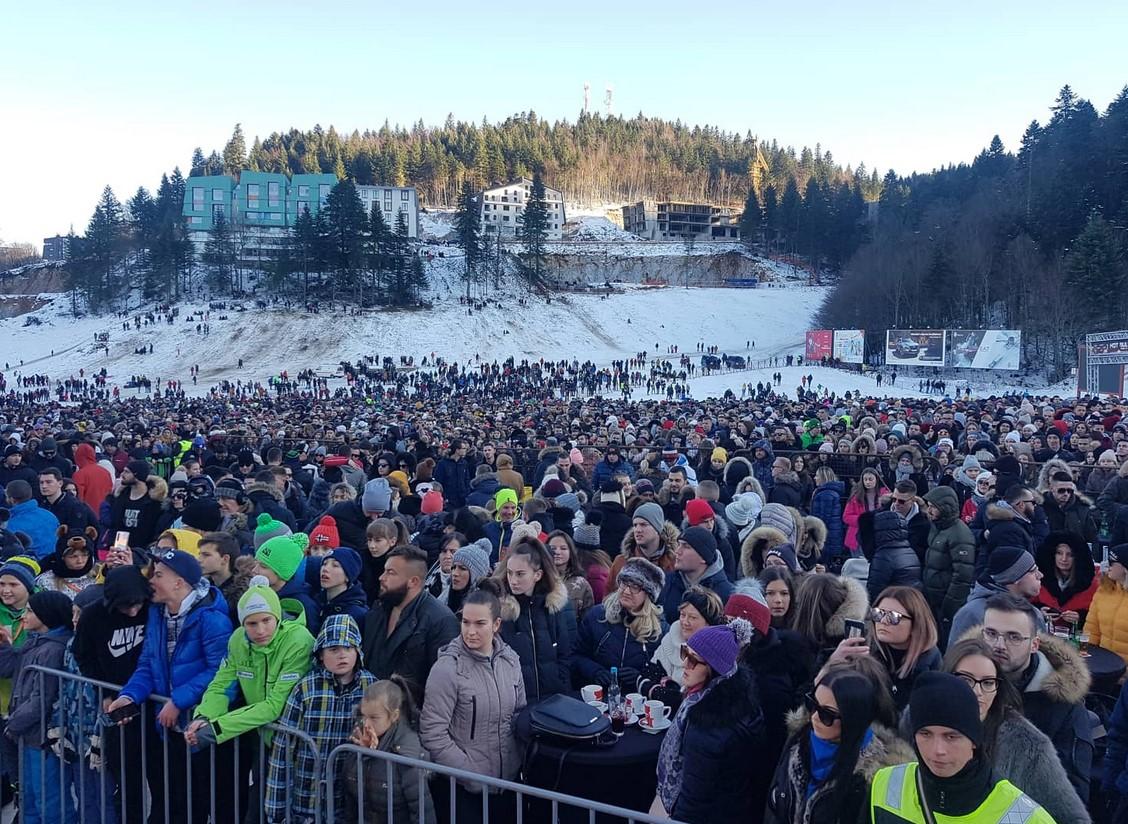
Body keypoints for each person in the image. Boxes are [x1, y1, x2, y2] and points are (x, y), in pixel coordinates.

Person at [106, 549, 233, 824]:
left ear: (179, 582)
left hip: (200, 727)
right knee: (172, 801)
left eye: (159, 574)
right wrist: (129, 695)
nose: (151, 579)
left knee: (197, 804)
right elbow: (148, 664)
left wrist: (178, 701)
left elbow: (220, 671)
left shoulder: (212, 619)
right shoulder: (158, 613)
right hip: (169, 727)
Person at [920, 638, 1091, 823]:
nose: (977, 692)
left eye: (987, 683)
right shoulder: (914, 723)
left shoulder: (1027, 746)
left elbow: (1073, 819)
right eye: (965, 680)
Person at [870, 671, 1056, 823]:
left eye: (951, 736)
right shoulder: (886, 784)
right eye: (925, 734)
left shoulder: (1028, 818)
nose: (938, 750)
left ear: (974, 740)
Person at [420, 588, 526, 824]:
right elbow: (433, 732)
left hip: (507, 782)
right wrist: (469, 773)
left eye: (480, 623)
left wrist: (517, 762)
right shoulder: (447, 669)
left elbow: (519, 715)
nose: (471, 631)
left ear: (496, 624)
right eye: (466, 622)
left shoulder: (511, 661)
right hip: (463, 789)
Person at [263, 614, 377, 824]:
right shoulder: (305, 688)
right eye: (334, 649)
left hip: (348, 798)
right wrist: (276, 809)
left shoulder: (371, 687)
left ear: (358, 651)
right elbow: (283, 747)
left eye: (348, 648)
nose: (342, 655)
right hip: (306, 796)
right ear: (321, 654)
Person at [765, 663, 910, 824]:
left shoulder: (875, 777)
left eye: (827, 714)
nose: (814, 717)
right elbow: (774, 806)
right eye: (812, 704)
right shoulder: (797, 742)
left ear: (853, 719)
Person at [982, 593, 1093, 802]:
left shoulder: (1062, 703)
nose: (999, 644)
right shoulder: (961, 681)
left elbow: (1071, 794)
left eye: (1013, 637)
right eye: (991, 633)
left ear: (1034, 645)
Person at [653, 620, 765, 822]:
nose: (684, 664)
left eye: (693, 660)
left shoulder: (706, 727)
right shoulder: (738, 699)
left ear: (714, 669)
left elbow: (693, 799)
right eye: (684, 653)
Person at [72, 565, 150, 823]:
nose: (133, 611)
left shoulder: (152, 609)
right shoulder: (93, 616)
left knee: (161, 776)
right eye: (126, 606)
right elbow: (83, 655)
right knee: (126, 778)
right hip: (117, 703)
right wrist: (103, 691)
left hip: (152, 700)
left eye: (137, 604)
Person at [0, 590, 75, 824]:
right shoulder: (35, 642)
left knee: (50, 802)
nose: (24, 615)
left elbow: (41, 699)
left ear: (46, 615)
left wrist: (13, 722)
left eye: (30, 611)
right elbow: (9, 667)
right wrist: (4, 645)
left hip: (43, 738)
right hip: (28, 734)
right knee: (30, 799)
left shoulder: (52, 650)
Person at [361, 545, 460, 696]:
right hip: (372, 708)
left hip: (410, 713)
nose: (382, 577)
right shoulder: (378, 610)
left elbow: (442, 687)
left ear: (413, 581)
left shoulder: (441, 621)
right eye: (384, 571)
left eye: (391, 573)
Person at [342, 676, 437, 824]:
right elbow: (350, 803)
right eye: (363, 716)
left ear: (394, 716)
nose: (366, 724)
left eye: (374, 718)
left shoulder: (406, 753)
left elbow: (421, 810)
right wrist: (364, 754)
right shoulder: (356, 742)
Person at [490, 536, 575, 700]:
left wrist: (561, 687)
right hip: (514, 702)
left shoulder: (553, 606)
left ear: (537, 575)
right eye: (509, 573)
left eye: (520, 574)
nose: (513, 580)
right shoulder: (499, 609)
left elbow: (565, 653)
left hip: (553, 699)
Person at [830, 586, 940, 711]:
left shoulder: (928, 665)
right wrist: (835, 663)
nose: (883, 621)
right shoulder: (865, 648)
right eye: (878, 613)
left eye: (894, 617)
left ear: (916, 623)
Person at [574, 556, 667, 692]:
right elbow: (576, 655)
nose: (626, 591)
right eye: (624, 583)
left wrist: (640, 678)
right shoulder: (597, 616)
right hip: (599, 697)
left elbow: (664, 674)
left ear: (648, 594)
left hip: (637, 702)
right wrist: (595, 671)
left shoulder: (660, 629)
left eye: (635, 587)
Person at [949, 546, 1047, 643]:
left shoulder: (1034, 614)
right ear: (1015, 577)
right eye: (1033, 571)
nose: (1040, 575)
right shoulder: (971, 613)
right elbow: (955, 655)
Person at [920, 485, 976, 633]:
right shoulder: (937, 527)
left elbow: (963, 576)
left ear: (945, 508)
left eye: (933, 507)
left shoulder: (960, 534)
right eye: (928, 506)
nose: (929, 511)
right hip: (932, 598)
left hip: (944, 603)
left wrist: (949, 608)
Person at [649, 585, 724, 686]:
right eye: (683, 615)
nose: (685, 622)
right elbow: (650, 671)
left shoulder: (713, 654)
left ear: (708, 623)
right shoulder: (670, 638)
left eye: (692, 617)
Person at [659, 526, 733, 623]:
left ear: (703, 557)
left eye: (686, 547)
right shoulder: (664, 581)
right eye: (679, 545)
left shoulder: (726, 594)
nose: (677, 551)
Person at [1032, 531, 1099, 633]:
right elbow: (1027, 605)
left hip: (1077, 638)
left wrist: (1081, 618)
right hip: (1044, 636)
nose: (1064, 559)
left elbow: (1100, 616)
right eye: (1059, 553)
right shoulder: (1039, 579)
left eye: (1070, 554)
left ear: (1078, 557)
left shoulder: (1093, 583)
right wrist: (1039, 612)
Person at [253, 532, 319, 633]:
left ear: (282, 572)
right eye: (255, 563)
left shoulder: (304, 605)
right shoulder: (256, 594)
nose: (254, 570)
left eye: (263, 566)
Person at [608, 501, 678, 590]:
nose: (637, 530)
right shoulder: (621, 562)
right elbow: (607, 599)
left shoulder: (675, 563)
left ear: (657, 529)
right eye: (635, 525)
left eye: (643, 525)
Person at [864, 509, 922, 603]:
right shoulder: (909, 551)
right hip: (910, 603)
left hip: (892, 605)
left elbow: (874, 591)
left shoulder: (884, 556)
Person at [1083, 543, 1128, 661]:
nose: (1108, 566)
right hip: (1105, 667)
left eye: (1113, 563)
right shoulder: (1103, 590)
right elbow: (1091, 631)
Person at [5, 479, 60, 559]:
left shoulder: (9, 525)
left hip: (27, 567)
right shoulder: (50, 515)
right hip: (52, 564)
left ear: (12, 499)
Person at [316, 546, 368, 629]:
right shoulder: (316, 602)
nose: (325, 569)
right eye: (324, 564)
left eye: (335, 565)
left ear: (348, 576)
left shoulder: (357, 614)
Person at [547, 530, 595, 617]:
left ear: (571, 552)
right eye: (553, 548)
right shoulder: (537, 579)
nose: (557, 552)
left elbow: (587, 618)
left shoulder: (581, 584)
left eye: (563, 548)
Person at [842, 469, 889, 555]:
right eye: (865, 479)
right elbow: (846, 517)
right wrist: (864, 520)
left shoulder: (886, 496)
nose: (867, 482)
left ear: (876, 479)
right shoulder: (855, 497)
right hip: (858, 537)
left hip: (878, 536)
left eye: (870, 479)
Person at [447, 542, 492, 616]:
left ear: (476, 575)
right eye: (453, 567)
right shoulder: (444, 597)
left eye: (462, 568)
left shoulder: (482, 608)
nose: (455, 573)